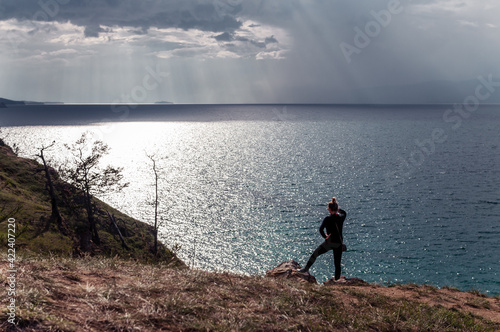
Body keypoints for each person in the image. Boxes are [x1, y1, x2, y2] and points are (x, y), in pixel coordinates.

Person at [298, 197, 347, 280]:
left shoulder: (327, 219)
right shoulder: (340, 218)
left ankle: (305, 269)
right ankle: (337, 280)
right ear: (336, 208)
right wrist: (338, 210)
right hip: (338, 243)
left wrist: (325, 236)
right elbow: (344, 213)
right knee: (337, 263)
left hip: (329, 242)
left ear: (329, 209)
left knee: (315, 254)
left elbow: (321, 229)